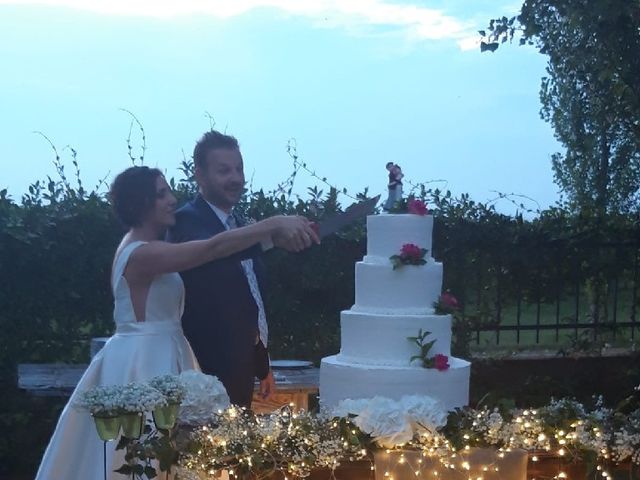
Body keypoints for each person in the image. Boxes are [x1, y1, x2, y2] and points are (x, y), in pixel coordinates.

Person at [36, 166, 318, 480]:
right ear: (140, 204)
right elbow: (210, 248)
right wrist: (273, 223)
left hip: (164, 352)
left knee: (173, 454)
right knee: (143, 453)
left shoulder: (149, 249)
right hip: (143, 364)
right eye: (161, 194)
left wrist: (272, 241)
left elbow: (215, 256)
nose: (172, 200)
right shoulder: (141, 254)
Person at [167, 130, 319, 408]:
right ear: (200, 176)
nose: (235, 178)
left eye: (239, 169)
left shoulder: (241, 224)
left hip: (241, 370)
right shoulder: (183, 223)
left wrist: (261, 364)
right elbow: (213, 252)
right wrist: (273, 226)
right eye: (224, 170)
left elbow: (250, 301)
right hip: (199, 372)